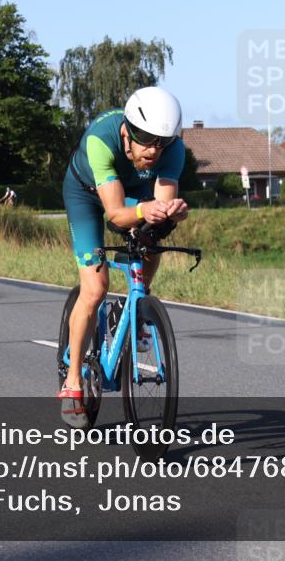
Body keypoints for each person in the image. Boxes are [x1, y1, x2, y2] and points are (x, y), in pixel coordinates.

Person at [59, 86, 189, 408]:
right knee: (94, 289)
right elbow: (115, 213)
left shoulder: (173, 150)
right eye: (145, 139)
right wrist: (148, 210)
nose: (153, 151)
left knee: (151, 240)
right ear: (128, 131)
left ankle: (136, 312)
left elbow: (160, 204)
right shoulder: (100, 141)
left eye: (162, 142)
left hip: (132, 192)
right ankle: (72, 380)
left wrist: (171, 212)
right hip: (86, 194)